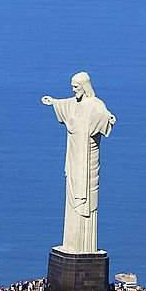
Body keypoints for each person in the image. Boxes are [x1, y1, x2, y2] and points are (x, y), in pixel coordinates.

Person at [41, 72, 116, 254]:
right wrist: (53, 102)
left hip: (87, 158)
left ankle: (85, 246)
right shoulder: (74, 104)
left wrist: (109, 119)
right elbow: (65, 104)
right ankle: (71, 244)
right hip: (74, 157)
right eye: (73, 87)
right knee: (72, 196)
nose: (74, 90)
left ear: (85, 86)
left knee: (87, 198)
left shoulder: (95, 105)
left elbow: (106, 116)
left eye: (76, 87)